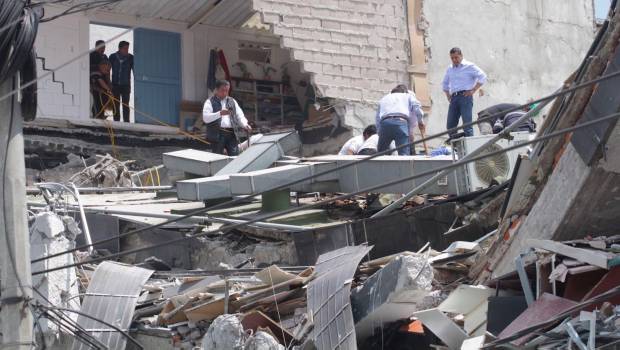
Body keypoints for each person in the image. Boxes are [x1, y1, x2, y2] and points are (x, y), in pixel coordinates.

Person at [442, 47, 487, 137]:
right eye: (452, 58)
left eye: (456, 57)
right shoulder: (450, 68)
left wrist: (473, 90)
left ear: (461, 56)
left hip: (465, 97)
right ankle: (456, 148)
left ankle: (469, 148)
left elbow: (483, 76)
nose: (454, 60)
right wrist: (448, 95)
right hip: (454, 97)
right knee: (450, 126)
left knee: (467, 125)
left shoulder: (469, 66)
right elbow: (445, 83)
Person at [203, 80, 252, 156]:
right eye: (222, 90)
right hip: (217, 134)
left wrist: (245, 124)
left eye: (227, 91)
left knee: (234, 157)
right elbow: (206, 118)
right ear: (216, 90)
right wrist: (220, 113)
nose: (225, 93)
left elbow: (240, 115)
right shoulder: (210, 101)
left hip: (232, 133)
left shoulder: (232, 101)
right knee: (217, 157)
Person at [375, 84, 424, 156]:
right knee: (404, 154)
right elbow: (417, 108)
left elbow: (377, 117)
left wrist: (379, 131)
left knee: (380, 154)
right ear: (404, 92)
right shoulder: (407, 96)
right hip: (400, 123)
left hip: (385, 123)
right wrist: (420, 121)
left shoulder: (384, 98)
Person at [109, 41, 134, 122]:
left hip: (126, 85)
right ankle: (116, 122)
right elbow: (107, 70)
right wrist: (109, 83)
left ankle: (126, 122)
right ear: (120, 48)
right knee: (115, 105)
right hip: (115, 85)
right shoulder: (112, 57)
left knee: (125, 105)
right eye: (125, 48)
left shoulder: (131, 58)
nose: (127, 50)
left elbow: (135, 71)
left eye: (128, 48)